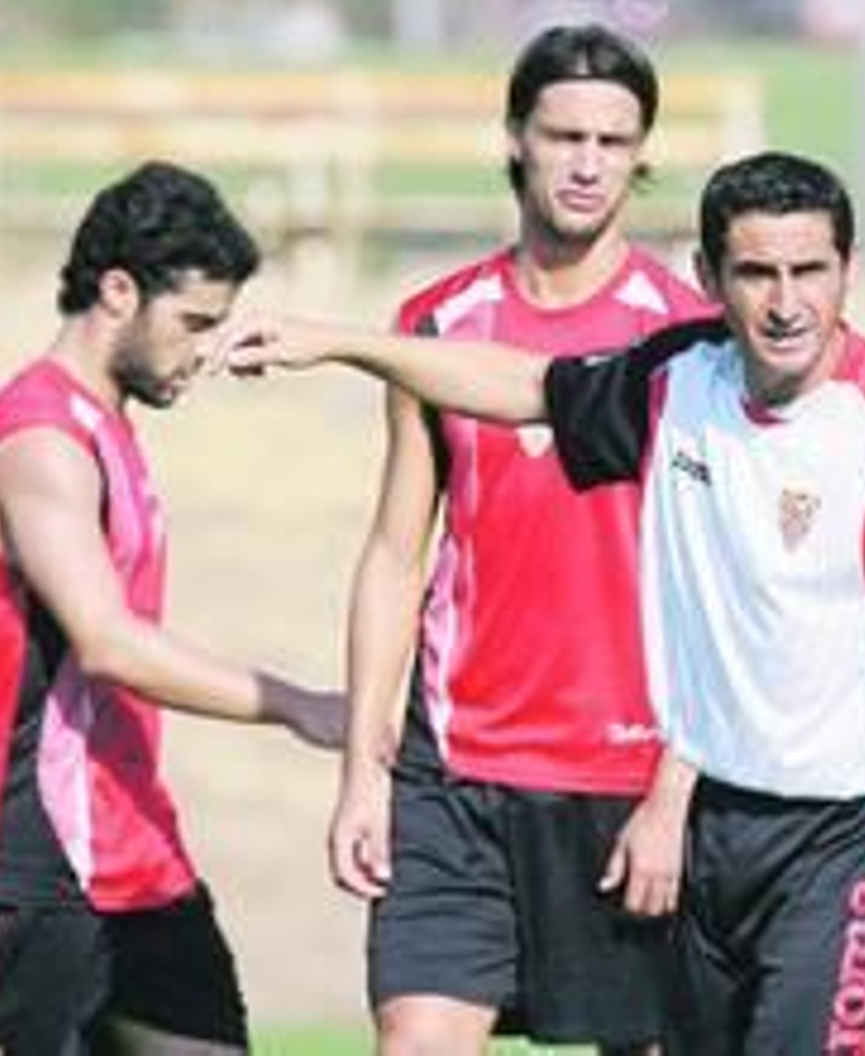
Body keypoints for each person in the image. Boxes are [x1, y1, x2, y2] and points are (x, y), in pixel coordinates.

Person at [223, 149, 865, 1056]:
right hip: (721, 824)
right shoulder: (681, 379)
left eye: (810, 271)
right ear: (709, 279)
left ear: (849, 272)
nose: (786, 302)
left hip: (858, 840)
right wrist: (344, 345)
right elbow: (528, 387)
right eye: (757, 273)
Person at [0, 160, 346, 1055]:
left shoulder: (109, 430)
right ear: (118, 290)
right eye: (193, 325)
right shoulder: (38, 441)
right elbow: (106, 643)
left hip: (136, 859)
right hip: (16, 872)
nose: (206, 352)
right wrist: (301, 706)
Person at [328, 23, 713, 1055]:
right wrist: (363, 771)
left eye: (613, 142)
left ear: (640, 155)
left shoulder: (686, 338)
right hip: (456, 783)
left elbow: (724, 591)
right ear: (515, 138)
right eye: (564, 135)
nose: (587, 164)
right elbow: (395, 556)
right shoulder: (438, 322)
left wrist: (679, 786)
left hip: (627, 784)